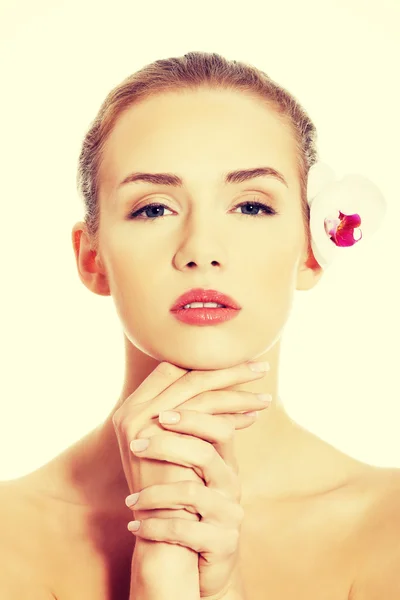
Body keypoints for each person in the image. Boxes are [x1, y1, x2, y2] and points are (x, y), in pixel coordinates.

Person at [1, 51, 399, 600]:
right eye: (154, 208)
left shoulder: (389, 528)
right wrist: (160, 574)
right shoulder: (10, 534)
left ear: (311, 249)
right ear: (92, 257)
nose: (202, 250)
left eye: (252, 206)